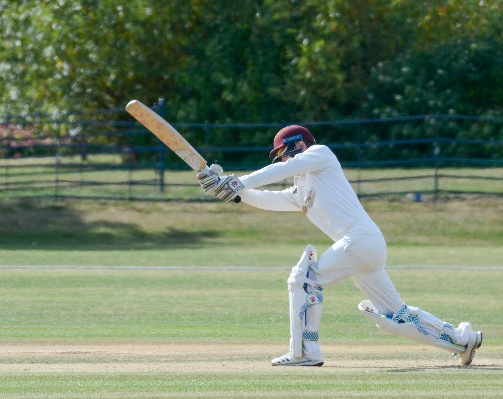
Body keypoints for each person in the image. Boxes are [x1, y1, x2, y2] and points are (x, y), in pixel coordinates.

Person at [198, 124, 482, 367]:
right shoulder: (300, 189)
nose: (282, 160)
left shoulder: (320, 154)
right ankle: (461, 340)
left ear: (297, 145)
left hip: (359, 240)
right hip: (364, 246)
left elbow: (285, 168)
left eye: (283, 153)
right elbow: (266, 199)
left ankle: (306, 352)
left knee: (305, 280)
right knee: (396, 315)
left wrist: (235, 181)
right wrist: (234, 192)